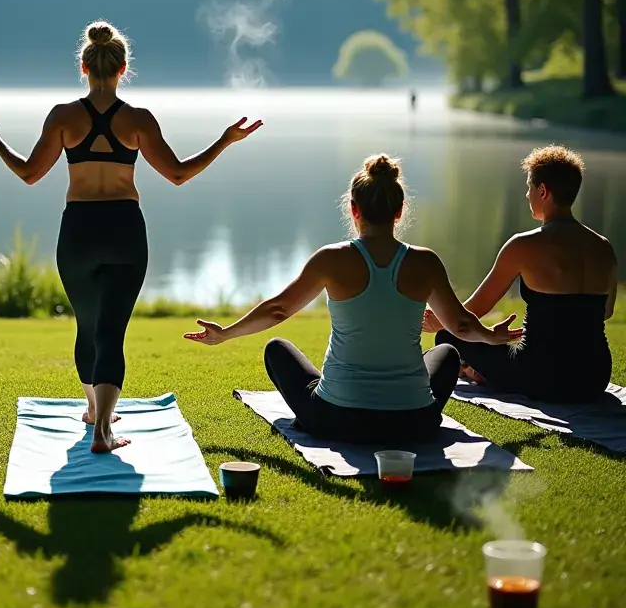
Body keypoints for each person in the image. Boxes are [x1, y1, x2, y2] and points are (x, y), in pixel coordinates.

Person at [0, 20, 262, 452]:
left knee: (88, 326)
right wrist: (225, 140)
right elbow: (178, 174)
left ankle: (93, 411)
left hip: (79, 230)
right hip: (124, 230)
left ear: (84, 67)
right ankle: (102, 428)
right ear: (123, 69)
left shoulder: (63, 117)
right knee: (111, 332)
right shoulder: (138, 120)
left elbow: (29, 173)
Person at [185, 154, 521, 443]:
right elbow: (460, 325)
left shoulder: (330, 259)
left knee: (277, 349)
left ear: (353, 208)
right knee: (447, 353)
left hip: (336, 419)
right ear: (399, 211)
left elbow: (278, 310)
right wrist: (491, 336)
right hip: (413, 423)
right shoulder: (425, 262)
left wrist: (225, 333)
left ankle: (337, 398)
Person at [427, 145, 617, 403]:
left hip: (542, 376)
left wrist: (441, 319)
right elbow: (606, 312)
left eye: (529, 187)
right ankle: (479, 371)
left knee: (447, 336)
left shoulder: (522, 245)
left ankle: (476, 372)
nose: (527, 194)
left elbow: (475, 311)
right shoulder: (604, 247)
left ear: (543, 191)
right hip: (595, 377)